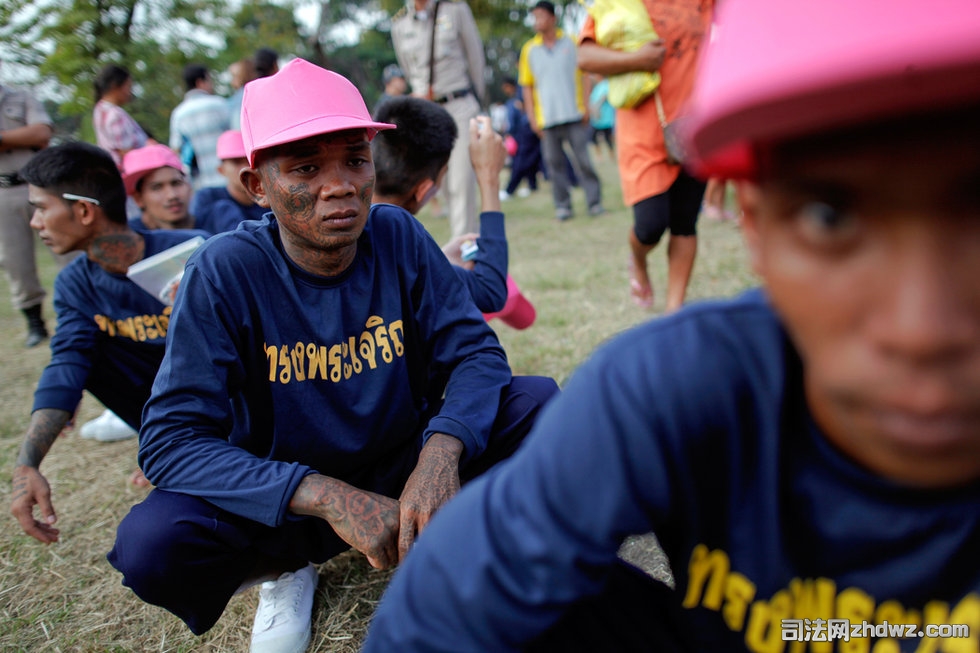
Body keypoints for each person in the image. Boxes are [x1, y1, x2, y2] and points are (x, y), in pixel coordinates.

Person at [362, 0, 980, 650]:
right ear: (756, 227)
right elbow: (441, 602)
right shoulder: (678, 383)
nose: (921, 328)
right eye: (829, 217)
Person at [107, 58, 558, 653]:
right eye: (306, 168)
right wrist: (326, 496)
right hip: (287, 500)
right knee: (153, 545)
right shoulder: (223, 272)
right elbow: (168, 440)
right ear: (258, 186)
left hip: (400, 462)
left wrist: (441, 453)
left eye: (355, 159)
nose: (340, 183)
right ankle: (287, 574)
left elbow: (475, 352)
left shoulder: (396, 234)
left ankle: (447, 530)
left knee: (537, 402)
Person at [9, 142, 209, 543]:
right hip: (175, 422)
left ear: (83, 210)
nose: (34, 222)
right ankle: (172, 448)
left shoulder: (196, 252)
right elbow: (66, 366)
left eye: (41, 208)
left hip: (241, 409)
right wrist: (27, 463)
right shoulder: (74, 285)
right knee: (85, 349)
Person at [578, 0, 710, 311]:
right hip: (642, 128)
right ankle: (638, 258)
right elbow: (585, 56)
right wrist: (637, 59)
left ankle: (673, 312)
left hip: (692, 123)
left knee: (685, 221)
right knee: (650, 224)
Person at [391, 0, 485, 240]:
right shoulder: (400, 25)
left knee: (462, 182)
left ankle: (465, 252)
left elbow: (475, 58)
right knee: (438, 183)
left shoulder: (455, 10)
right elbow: (409, 70)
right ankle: (461, 244)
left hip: (459, 104)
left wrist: (480, 102)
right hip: (427, 112)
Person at [518, 0, 603, 221]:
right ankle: (563, 206)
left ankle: (594, 202)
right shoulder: (529, 50)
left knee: (583, 160)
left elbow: (585, 75)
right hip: (548, 118)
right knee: (554, 166)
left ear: (553, 18)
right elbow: (527, 86)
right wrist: (532, 117)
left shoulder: (572, 42)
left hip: (574, 113)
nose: (537, 21)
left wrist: (586, 105)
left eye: (541, 16)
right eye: (535, 17)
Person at [0, 69, 54, 348]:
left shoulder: (21, 96)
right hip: (3, 190)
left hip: (38, 183)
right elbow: (32, 135)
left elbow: (42, 132)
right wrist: (20, 136)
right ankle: (34, 320)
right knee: (15, 260)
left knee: (66, 247)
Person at [168, 63, 230, 191]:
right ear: (200, 82)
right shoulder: (220, 104)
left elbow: (175, 150)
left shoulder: (178, 114)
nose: (211, 85)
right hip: (228, 179)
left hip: (199, 184)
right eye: (209, 80)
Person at [189, 130, 268, 229]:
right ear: (221, 170)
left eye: (249, 160)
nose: (245, 167)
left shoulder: (270, 198)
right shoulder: (208, 199)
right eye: (237, 162)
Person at [122, 144, 196, 232]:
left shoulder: (214, 222)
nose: (172, 195)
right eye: (156, 188)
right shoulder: (129, 238)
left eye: (176, 183)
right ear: (138, 199)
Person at [92, 64, 150, 169]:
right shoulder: (115, 114)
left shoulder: (99, 109)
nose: (130, 92)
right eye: (128, 87)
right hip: (129, 169)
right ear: (115, 86)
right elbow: (126, 152)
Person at [499, 76, 541, 201]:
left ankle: (509, 190)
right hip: (525, 130)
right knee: (533, 159)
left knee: (521, 160)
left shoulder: (522, 91)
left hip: (527, 129)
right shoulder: (516, 97)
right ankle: (532, 186)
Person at [587, 74, 615, 160]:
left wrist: (596, 107)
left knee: (608, 139)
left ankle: (612, 155)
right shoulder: (597, 87)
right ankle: (599, 156)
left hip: (606, 118)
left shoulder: (606, 84)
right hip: (596, 119)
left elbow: (604, 97)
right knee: (593, 138)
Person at [226, 58, 256, 131]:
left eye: (234, 76)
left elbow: (236, 127)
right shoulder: (255, 91)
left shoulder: (238, 98)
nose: (232, 81)